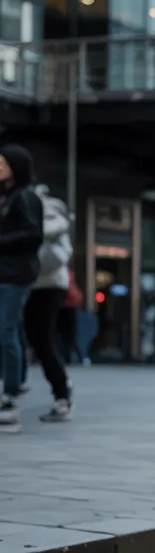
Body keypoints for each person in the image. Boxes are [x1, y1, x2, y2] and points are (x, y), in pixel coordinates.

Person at [0, 145, 43, 432]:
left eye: (3, 163)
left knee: (7, 331)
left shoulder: (25, 197)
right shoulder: (8, 196)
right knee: (9, 329)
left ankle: (11, 395)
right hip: (7, 273)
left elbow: (33, 234)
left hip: (16, 275)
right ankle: (16, 384)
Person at [25, 185, 74, 421]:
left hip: (49, 282)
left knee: (42, 339)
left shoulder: (45, 204)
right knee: (29, 338)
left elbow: (58, 225)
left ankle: (62, 393)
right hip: (23, 280)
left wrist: (27, 228)